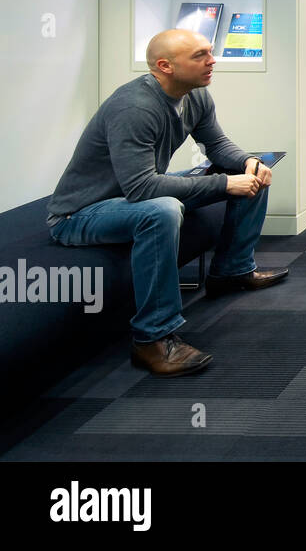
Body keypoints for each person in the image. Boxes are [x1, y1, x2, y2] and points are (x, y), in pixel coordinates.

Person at [46, 28, 288, 376]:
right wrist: (225, 184)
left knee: (253, 172)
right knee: (163, 209)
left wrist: (248, 162)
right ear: (165, 66)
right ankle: (151, 339)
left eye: (209, 51)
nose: (212, 60)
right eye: (200, 56)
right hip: (80, 215)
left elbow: (217, 145)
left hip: (129, 200)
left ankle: (232, 270)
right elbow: (142, 189)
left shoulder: (196, 95)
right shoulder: (134, 107)